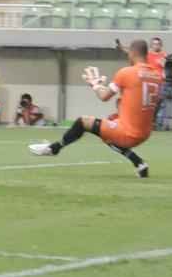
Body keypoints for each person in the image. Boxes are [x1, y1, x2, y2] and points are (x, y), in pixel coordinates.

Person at [29, 39, 159, 178]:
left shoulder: (126, 73)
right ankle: (139, 163)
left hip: (128, 132)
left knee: (83, 122)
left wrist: (95, 85)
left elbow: (104, 96)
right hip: (145, 132)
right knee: (105, 132)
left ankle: (54, 148)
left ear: (132, 53)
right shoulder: (156, 75)